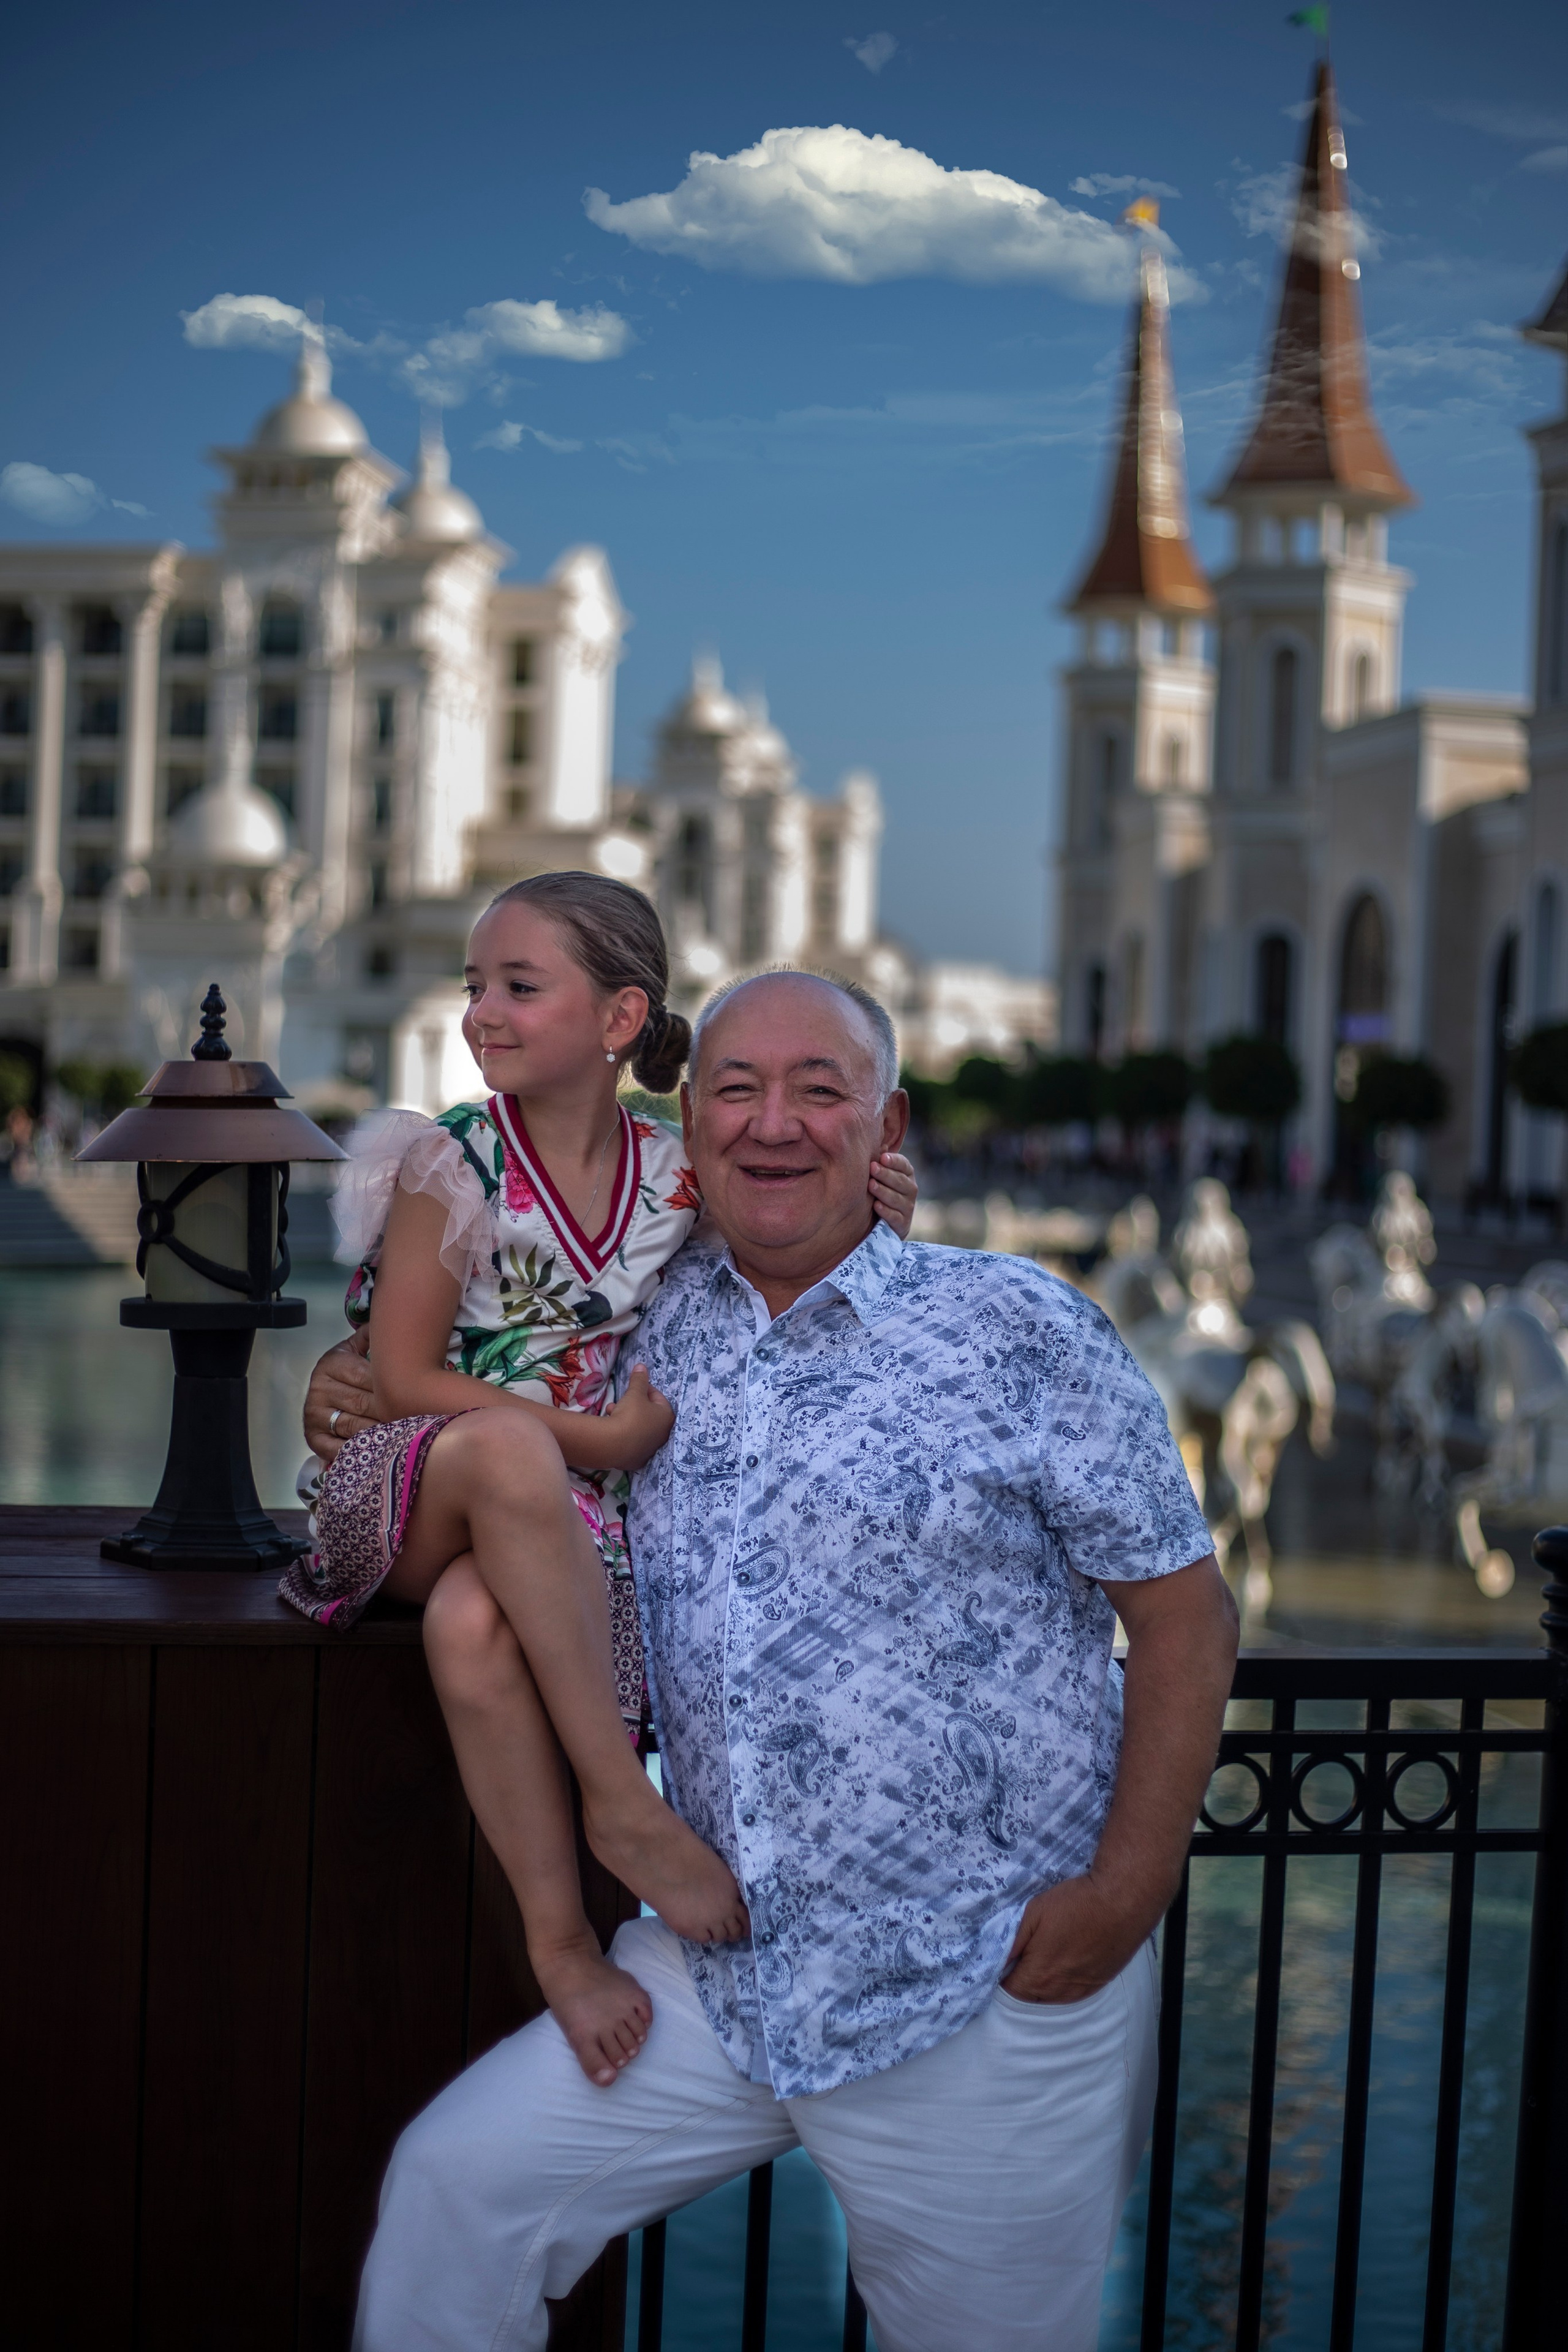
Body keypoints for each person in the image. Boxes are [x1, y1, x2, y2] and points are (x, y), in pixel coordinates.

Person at [306, 968, 1239, 2352]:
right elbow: (468, 1402)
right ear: (690, 1122)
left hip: (978, 1985)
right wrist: (346, 1378)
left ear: (887, 1126)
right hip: (717, 1972)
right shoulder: (636, 1334)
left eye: (820, 1090)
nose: (773, 1124)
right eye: (736, 1090)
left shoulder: (1017, 1326)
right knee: (459, 2194)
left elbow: (1183, 1614)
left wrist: (1125, 1889)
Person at [284, 873, 917, 2090]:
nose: (483, 1013)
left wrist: (883, 1206)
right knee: (512, 1448)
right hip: (409, 1486)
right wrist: (599, 1443)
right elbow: (406, 1375)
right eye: (479, 988)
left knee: (474, 1624)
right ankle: (620, 1802)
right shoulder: (446, 1164)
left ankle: (560, 1944)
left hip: (542, 1533)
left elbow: (797, 1255)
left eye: (520, 987)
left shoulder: (678, 1177)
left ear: (621, 1019)